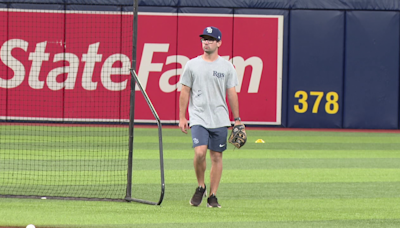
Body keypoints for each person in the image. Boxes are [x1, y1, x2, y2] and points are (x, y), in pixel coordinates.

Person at [178, 26, 242, 208]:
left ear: (219, 43)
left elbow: (232, 93)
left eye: (210, 39)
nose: (206, 42)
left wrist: (237, 118)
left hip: (220, 118)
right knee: (199, 153)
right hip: (198, 117)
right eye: (204, 39)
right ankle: (201, 186)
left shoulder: (226, 67)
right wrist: (182, 117)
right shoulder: (192, 64)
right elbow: (185, 91)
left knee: (216, 157)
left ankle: (212, 196)